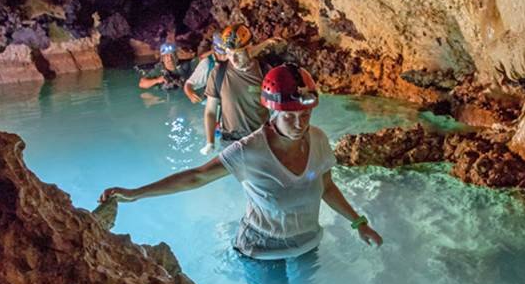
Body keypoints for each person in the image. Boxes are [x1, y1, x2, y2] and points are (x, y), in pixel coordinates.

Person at [100, 64, 383, 262]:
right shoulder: (250, 150)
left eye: (305, 114)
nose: (299, 123)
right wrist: (136, 193)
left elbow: (327, 186)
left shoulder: (318, 139)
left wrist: (359, 223)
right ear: (272, 110)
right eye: (289, 116)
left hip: (307, 244)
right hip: (261, 252)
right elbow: (197, 177)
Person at [198, 23, 284, 155]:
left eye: (238, 53)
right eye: (229, 53)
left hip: (261, 139)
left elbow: (279, 110)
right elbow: (210, 111)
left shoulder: (265, 72)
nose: (233, 59)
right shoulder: (218, 73)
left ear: (249, 48)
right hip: (230, 141)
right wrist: (210, 142)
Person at [183, 31, 227, 104]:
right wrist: (190, 94)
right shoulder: (207, 63)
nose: (226, 57)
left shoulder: (234, 60)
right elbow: (188, 84)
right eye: (223, 54)